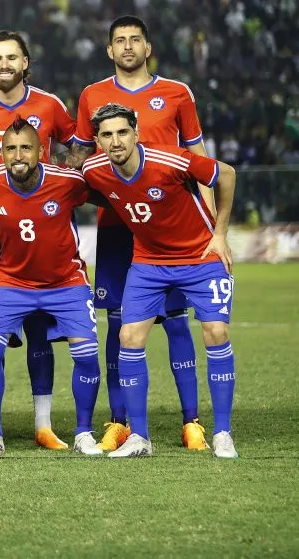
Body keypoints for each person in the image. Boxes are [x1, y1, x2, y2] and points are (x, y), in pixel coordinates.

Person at [69, 15, 216, 452]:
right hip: (118, 227)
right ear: (109, 50)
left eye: (136, 40)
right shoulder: (92, 96)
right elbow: (81, 163)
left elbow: (198, 156)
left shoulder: (176, 93)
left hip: (173, 230)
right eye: (120, 41)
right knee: (117, 323)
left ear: (147, 47)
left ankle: (191, 422)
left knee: (175, 321)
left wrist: (209, 223)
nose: (128, 47)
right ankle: (121, 422)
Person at [81, 104, 238, 459]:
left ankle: (223, 432)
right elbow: (79, 188)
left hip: (200, 256)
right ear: (97, 140)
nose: (116, 141)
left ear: (136, 133)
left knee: (216, 332)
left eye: (122, 132)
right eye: (107, 135)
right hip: (149, 262)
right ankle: (140, 438)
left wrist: (221, 233)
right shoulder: (94, 169)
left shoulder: (171, 160)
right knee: (128, 336)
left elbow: (225, 174)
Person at [0, 30, 78, 450]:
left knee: (41, 334)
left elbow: (77, 150)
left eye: (12, 57)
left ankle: (43, 425)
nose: (4, 64)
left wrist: (56, 184)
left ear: (26, 62)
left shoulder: (50, 105)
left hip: (43, 234)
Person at [0, 118, 103, 457]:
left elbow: (108, 192)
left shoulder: (68, 181)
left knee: (86, 356)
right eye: (10, 149)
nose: (18, 155)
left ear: (41, 151)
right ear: (0, 153)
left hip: (66, 282)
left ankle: (84, 433)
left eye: (26, 147)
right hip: (11, 282)